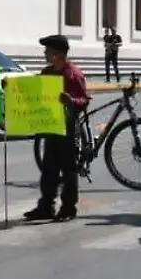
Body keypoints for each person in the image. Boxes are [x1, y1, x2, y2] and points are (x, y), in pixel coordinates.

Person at [25, 35, 90, 222]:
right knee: (49, 168)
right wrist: (13, 86)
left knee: (69, 169)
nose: (45, 54)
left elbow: (84, 101)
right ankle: (46, 206)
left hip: (68, 128)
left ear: (57, 54)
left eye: (47, 51)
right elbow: (32, 87)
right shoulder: (47, 72)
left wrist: (72, 101)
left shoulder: (73, 75)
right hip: (50, 126)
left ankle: (68, 207)